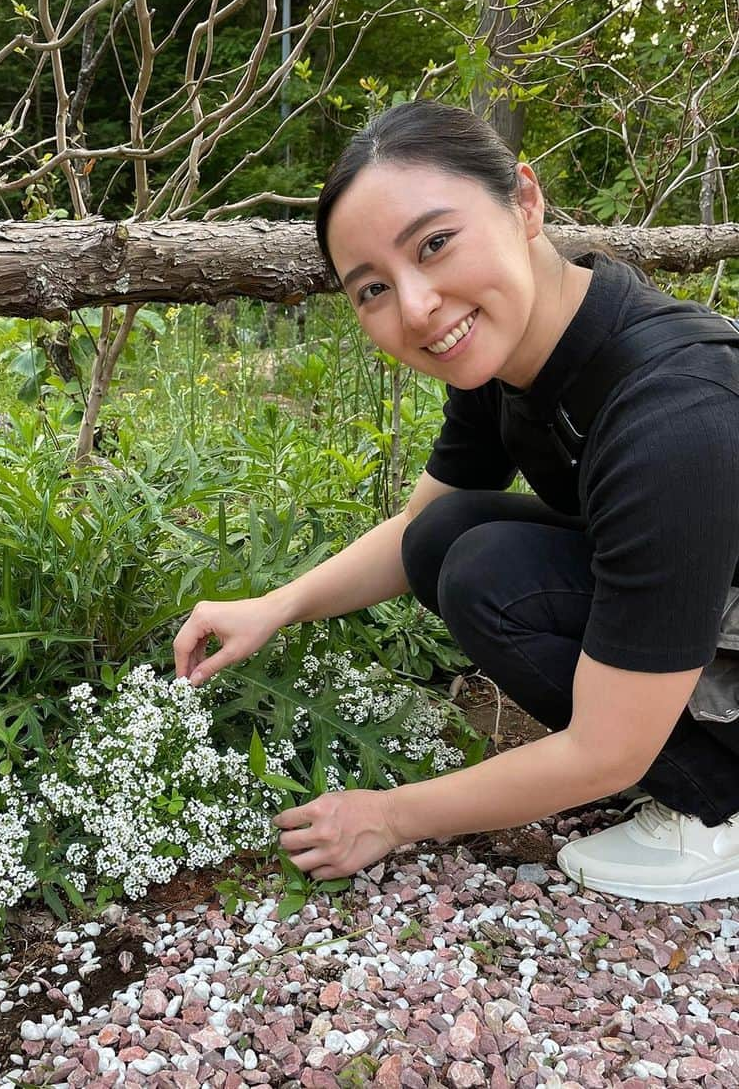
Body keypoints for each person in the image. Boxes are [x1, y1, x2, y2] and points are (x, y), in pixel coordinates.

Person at [173, 99, 739, 904]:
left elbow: (604, 751)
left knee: (484, 571)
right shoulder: (513, 353)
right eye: (372, 288)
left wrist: (392, 814)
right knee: (452, 538)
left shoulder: (674, 410)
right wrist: (274, 605)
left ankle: (719, 807)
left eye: (434, 244)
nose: (416, 306)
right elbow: (416, 531)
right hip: (713, 607)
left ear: (525, 200)